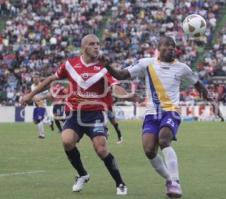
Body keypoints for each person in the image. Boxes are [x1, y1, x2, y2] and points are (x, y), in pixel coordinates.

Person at [101, 36, 215, 198]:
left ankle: (175, 181)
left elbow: (198, 85)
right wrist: (108, 67)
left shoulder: (182, 68)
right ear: (158, 48)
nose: (171, 49)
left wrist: (214, 103)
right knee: (148, 150)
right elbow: (121, 75)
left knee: (164, 140)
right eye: (167, 46)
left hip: (171, 111)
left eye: (174, 47)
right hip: (151, 114)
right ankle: (169, 179)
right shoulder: (146, 64)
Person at [21, 34, 127, 195]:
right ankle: (83, 174)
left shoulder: (104, 66)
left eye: (98, 44)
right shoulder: (70, 65)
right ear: (84, 47)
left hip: (95, 114)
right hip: (74, 114)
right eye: (93, 44)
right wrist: (30, 95)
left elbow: (115, 85)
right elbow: (51, 79)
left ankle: (120, 183)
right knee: (67, 141)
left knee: (100, 149)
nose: (97, 47)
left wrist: (124, 93)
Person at [31, 72, 54, 138]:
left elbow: (48, 95)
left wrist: (40, 98)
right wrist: (32, 98)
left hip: (42, 105)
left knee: (39, 119)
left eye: (36, 77)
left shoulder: (42, 86)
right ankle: (50, 121)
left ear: (39, 78)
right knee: (35, 121)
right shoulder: (32, 86)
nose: (35, 79)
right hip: (35, 106)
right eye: (34, 77)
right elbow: (33, 95)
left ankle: (42, 135)